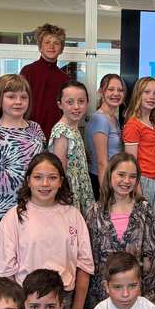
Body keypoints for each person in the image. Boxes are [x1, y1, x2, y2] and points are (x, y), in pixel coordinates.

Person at [0, 152, 94, 309]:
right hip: (26, 301)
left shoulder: (73, 215)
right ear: (28, 180)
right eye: (38, 177)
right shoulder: (14, 218)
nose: (45, 184)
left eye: (52, 178)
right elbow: (4, 273)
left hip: (64, 300)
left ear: (61, 181)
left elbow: (84, 266)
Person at [0, 74, 46, 260]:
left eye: (23, 97)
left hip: (32, 210)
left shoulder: (35, 129)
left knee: (31, 266)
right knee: (2, 269)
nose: (18, 102)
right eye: (11, 96)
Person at [85, 152, 155, 309]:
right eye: (121, 174)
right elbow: (91, 260)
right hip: (103, 298)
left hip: (137, 296)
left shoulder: (144, 210)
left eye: (132, 176)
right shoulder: (95, 212)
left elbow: (151, 260)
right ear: (110, 175)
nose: (126, 181)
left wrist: (154, 303)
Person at [122, 76, 155, 224]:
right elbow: (131, 163)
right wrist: (138, 191)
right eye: (146, 92)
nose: (151, 97)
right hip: (144, 180)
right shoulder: (133, 125)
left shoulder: (152, 123)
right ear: (138, 94)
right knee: (144, 225)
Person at [50, 80, 95, 216]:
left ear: (87, 103)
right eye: (70, 102)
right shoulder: (62, 130)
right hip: (70, 191)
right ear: (60, 104)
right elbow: (59, 168)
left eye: (81, 101)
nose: (76, 107)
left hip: (81, 187)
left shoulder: (73, 127)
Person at [19, 22, 69, 134]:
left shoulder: (65, 79)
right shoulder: (28, 71)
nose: (51, 46)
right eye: (47, 42)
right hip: (29, 133)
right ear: (40, 47)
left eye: (56, 43)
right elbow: (20, 102)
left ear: (61, 49)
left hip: (57, 134)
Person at [86, 73, 126, 199]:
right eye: (111, 89)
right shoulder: (100, 120)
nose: (116, 93)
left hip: (113, 178)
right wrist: (106, 195)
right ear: (101, 91)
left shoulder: (114, 118)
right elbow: (102, 162)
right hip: (102, 180)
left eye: (120, 90)